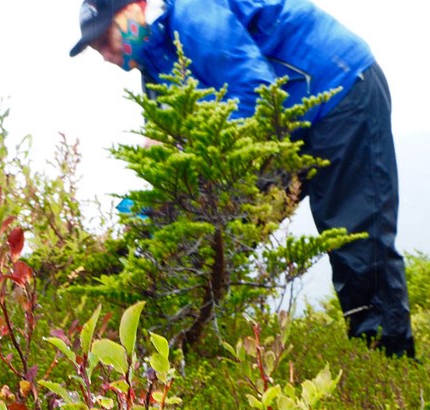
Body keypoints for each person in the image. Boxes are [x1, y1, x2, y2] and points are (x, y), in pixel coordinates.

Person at [70, 0, 416, 358]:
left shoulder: (194, 15)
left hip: (340, 89)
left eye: (104, 39)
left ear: (134, 9)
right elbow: (163, 145)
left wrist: (210, 177)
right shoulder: (154, 64)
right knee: (208, 235)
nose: (105, 55)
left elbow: (254, 95)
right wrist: (148, 210)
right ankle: (182, 354)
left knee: (355, 239)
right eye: (96, 48)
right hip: (285, 123)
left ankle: (388, 369)